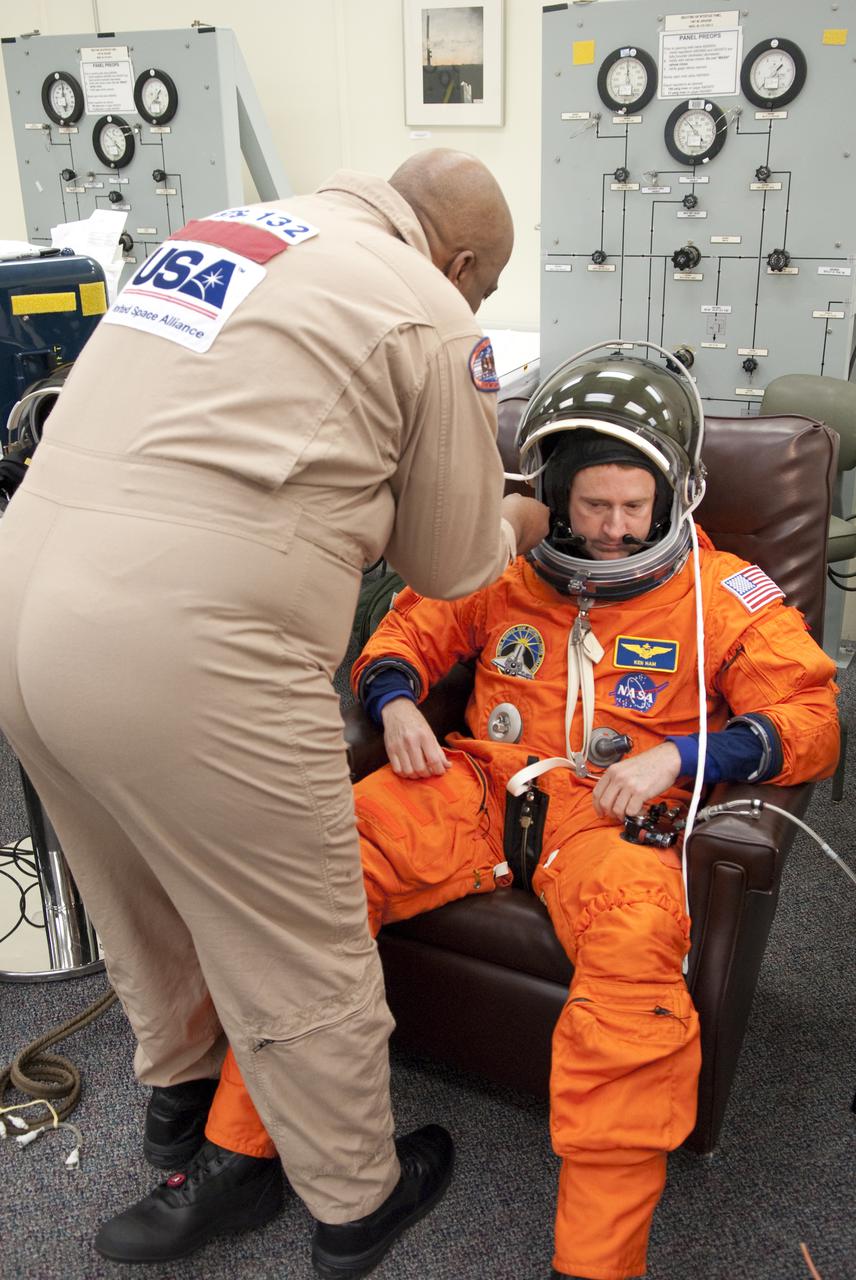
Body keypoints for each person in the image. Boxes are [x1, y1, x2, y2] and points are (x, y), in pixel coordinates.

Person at [124, 349, 839, 1279]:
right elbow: (403, 636)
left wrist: (683, 754)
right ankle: (239, 1157)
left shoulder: (723, 595)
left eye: (636, 508)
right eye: (593, 506)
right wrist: (393, 706)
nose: (616, 530)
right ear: (552, 491)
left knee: (633, 981)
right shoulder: (503, 569)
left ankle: (594, 1263)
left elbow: (811, 721)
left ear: (677, 496)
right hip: (472, 783)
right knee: (311, 890)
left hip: (615, 813)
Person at [0, 150, 550, 1277]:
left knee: (133, 888)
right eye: (483, 284)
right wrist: (520, 522)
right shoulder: (430, 310)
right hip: (182, 643)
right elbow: (447, 563)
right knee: (302, 937)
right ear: (459, 261)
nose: (475, 303)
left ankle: (178, 1100)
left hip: (23, 602)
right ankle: (356, 1198)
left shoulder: (226, 230)